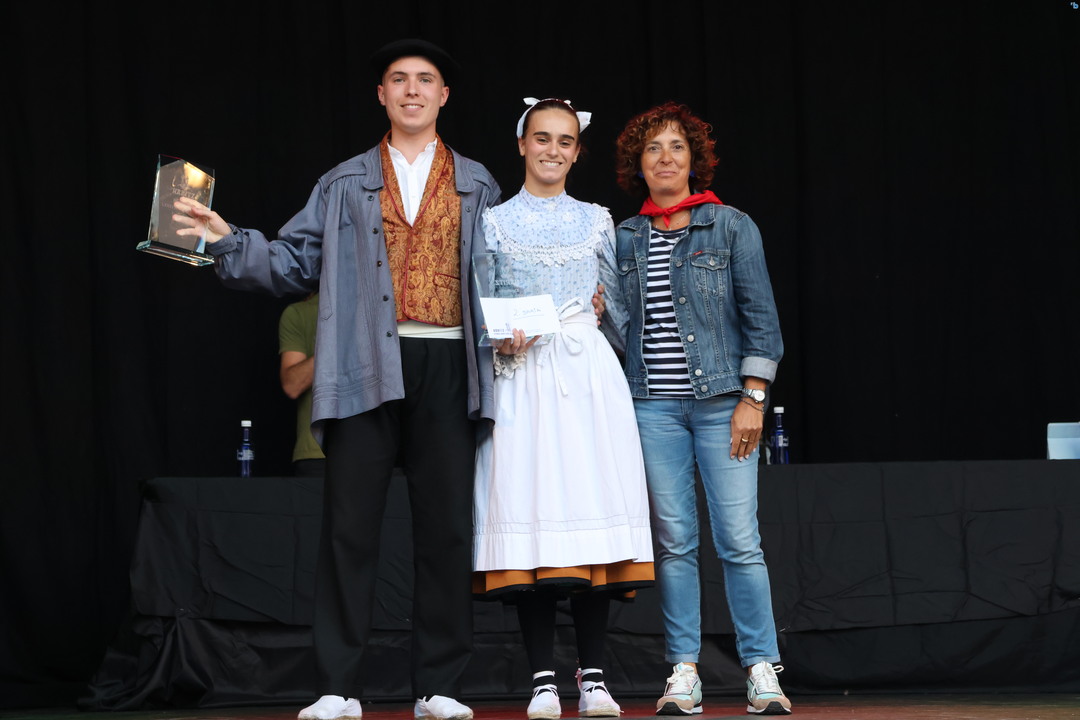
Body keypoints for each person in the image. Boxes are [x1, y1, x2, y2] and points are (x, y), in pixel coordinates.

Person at [173, 38, 500, 720]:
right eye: (398, 80)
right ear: (381, 95)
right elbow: (293, 262)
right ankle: (337, 687)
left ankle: (438, 685)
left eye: (425, 80)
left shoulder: (478, 182)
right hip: (362, 361)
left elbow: (504, 276)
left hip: (448, 363)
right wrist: (226, 239)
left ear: (444, 96)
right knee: (349, 528)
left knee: (447, 528)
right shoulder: (343, 180)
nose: (412, 90)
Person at [472, 98, 654, 720]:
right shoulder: (493, 222)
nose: (553, 150)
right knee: (534, 514)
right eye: (543, 138)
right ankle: (542, 679)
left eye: (565, 141)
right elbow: (481, 304)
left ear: (577, 152)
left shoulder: (598, 220)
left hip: (586, 375)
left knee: (589, 511)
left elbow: (622, 311)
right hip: (523, 379)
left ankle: (594, 676)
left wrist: (607, 311)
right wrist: (499, 338)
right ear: (522, 144)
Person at [608, 101, 791, 716]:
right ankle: (683, 669)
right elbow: (620, 330)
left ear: (694, 159)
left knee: (739, 540)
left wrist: (753, 399)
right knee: (674, 541)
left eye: (676, 147)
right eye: (653, 148)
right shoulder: (624, 237)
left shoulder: (731, 226)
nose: (665, 158)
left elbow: (762, 321)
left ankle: (761, 667)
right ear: (638, 163)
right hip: (651, 407)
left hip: (722, 406)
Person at [279, 291, 326, 477]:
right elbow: (292, 385)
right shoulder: (301, 312)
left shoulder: (384, 309)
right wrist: (336, 342)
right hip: (317, 452)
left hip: (371, 449)